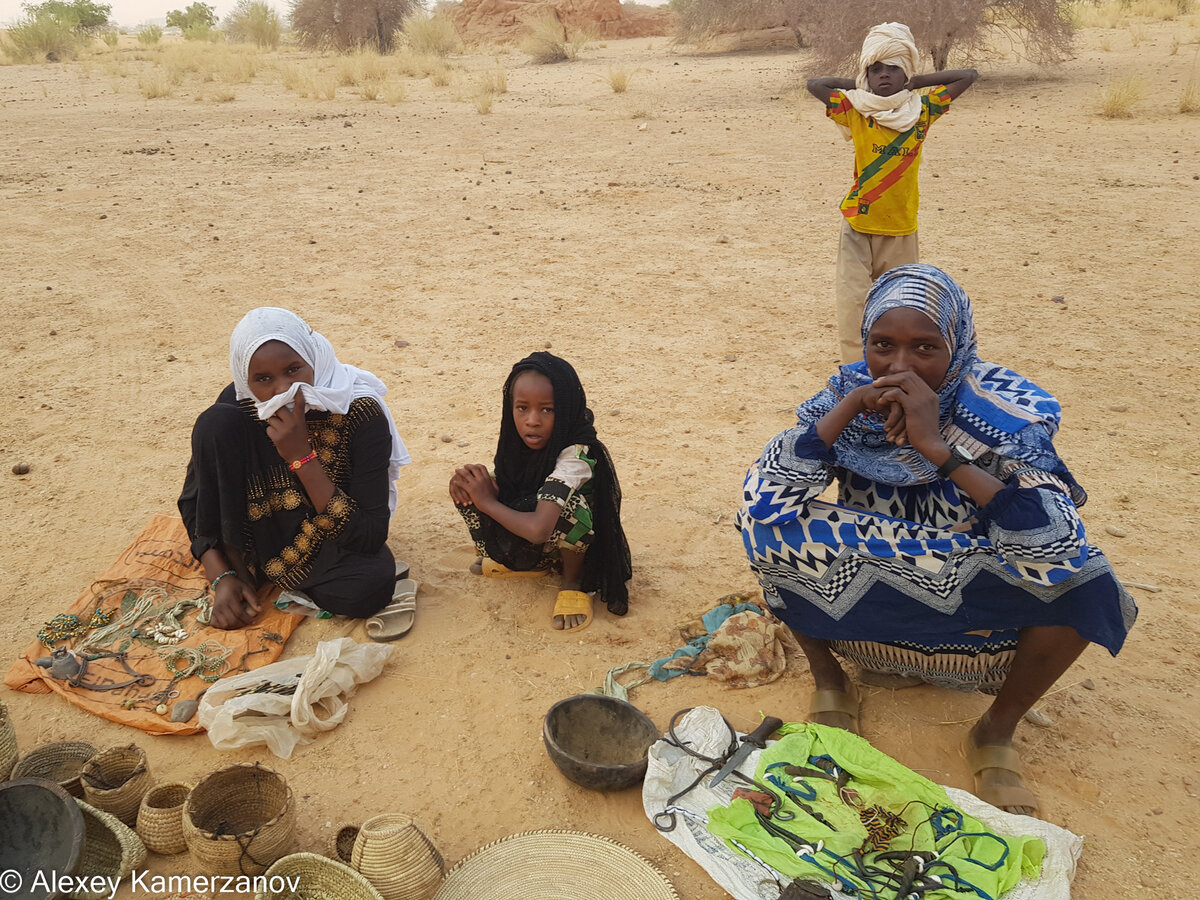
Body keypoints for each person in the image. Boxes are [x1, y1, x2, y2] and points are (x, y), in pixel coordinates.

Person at [738, 264, 1136, 816]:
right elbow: (765, 500)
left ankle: (994, 733)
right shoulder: (847, 394)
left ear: (957, 342)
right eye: (882, 345)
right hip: (867, 597)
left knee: (1086, 579)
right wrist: (850, 407)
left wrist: (936, 447)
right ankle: (832, 681)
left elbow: (1053, 543)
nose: (899, 367)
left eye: (925, 348)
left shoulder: (1007, 408)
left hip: (973, 612)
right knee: (766, 528)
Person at [179, 307, 411, 630]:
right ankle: (242, 578)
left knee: (374, 583)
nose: (282, 390)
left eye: (293, 369)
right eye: (263, 379)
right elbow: (196, 502)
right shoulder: (239, 407)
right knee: (213, 422)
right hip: (249, 547)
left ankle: (281, 581)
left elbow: (370, 535)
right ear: (246, 380)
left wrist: (301, 457)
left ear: (312, 358)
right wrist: (220, 576)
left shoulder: (359, 413)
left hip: (326, 542)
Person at [806, 22, 978, 363]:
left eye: (893, 69)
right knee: (852, 304)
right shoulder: (856, 111)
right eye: (876, 69)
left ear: (907, 74)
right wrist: (860, 85)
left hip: (900, 228)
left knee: (899, 308)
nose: (884, 75)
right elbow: (816, 84)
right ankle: (856, 371)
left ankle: (893, 368)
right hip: (857, 226)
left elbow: (968, 75)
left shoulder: (923, 113)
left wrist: (914, 84)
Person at [449, 352, 631, 632]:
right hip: (541, 525)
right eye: (522, 408)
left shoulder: (575, 456)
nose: (532, 420)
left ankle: (574, 582)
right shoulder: (516, 442)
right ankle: (527, 562)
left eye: (547, 409)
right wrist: (468, 486)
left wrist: (486, 502)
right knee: (475, 482)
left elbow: (539, 530)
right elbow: (510, 487)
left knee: (568, 507)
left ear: (567, 409)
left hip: (576, 540)